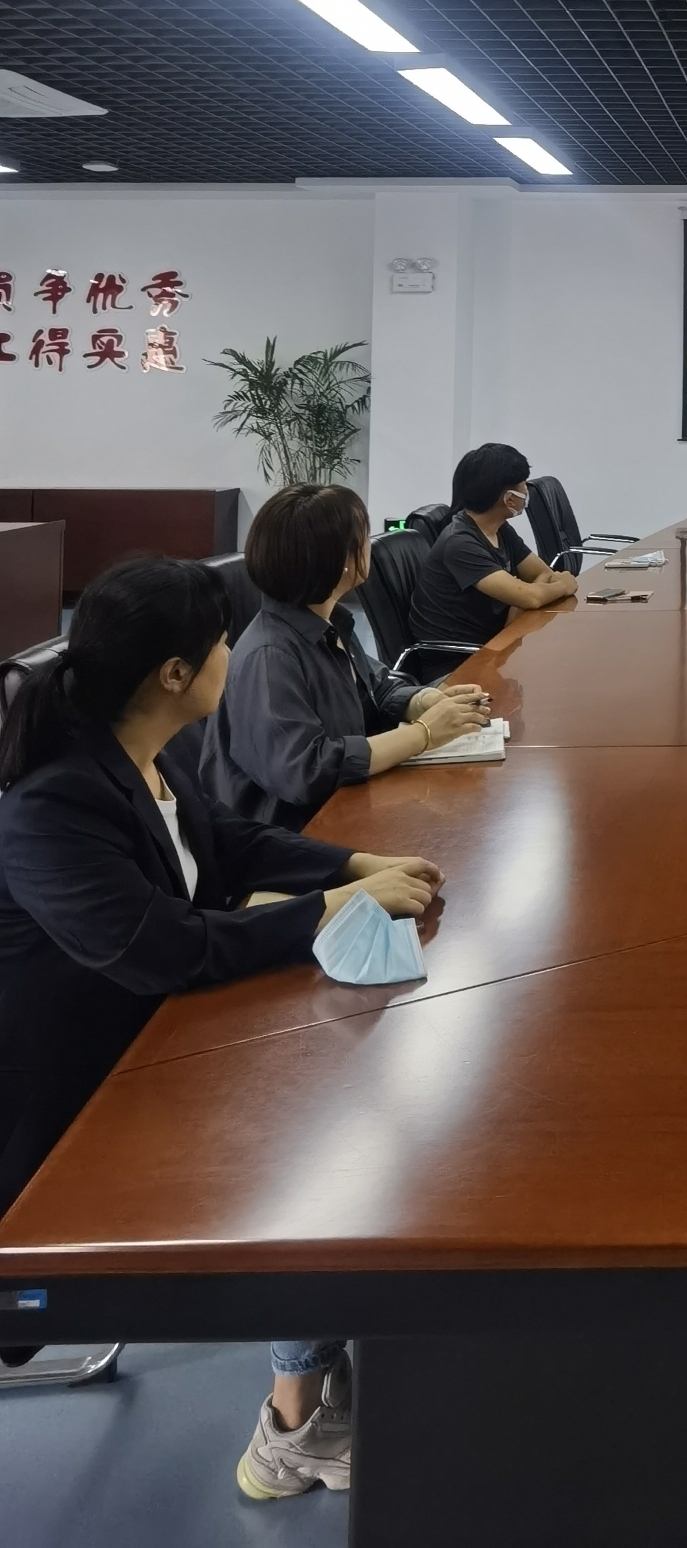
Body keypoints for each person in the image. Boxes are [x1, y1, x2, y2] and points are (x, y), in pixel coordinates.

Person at [0, 556, 443, 1497]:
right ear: (174, 672)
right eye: (221, 643)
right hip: (68, 1119)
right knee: (325, 1153)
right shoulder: (50, 806)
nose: (234, 654)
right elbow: (162, 951)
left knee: (344, 1097)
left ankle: (312, 1381)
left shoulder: (141, 752)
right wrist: (329, 911)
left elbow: (228, 845)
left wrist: (353, 864)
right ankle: (293, 1427)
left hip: (155, 1046)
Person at [202, 484, 492, 831]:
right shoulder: (270, 657)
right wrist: (423, 734)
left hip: (350, 802)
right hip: (297, 833)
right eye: (362, 537)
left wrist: (426, 701)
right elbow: (305, 771)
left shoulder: (328, 622)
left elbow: (377, 688)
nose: (367, 546)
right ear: (337, 560)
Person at [409, 442, 577, 648]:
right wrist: (563, 586)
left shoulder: (499, 529)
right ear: (509, 499)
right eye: (523, 484)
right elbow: (531, 597)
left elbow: (542, 574)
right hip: (460, 658)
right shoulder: (460, 543)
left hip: (496, 642)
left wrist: (523, 598)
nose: (527, 490)